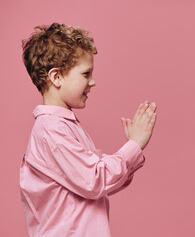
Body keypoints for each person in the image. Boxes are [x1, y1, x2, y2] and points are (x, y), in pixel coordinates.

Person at [20, 23, 157, 237]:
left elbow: (97, 185)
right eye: (86, 74)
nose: (92, 82)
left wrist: (132, 151)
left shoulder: (63, 127)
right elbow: (95, 180)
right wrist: (134, 145)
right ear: (56, 77)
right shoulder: (51, 131)